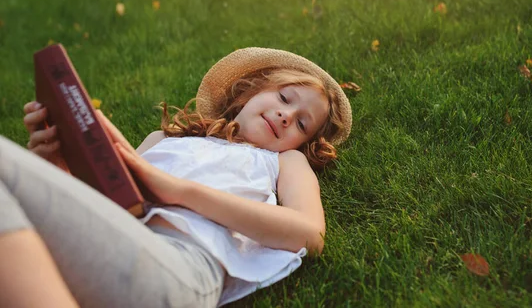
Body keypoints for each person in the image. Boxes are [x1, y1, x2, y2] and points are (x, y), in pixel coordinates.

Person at [0, 47, 352, 308]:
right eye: (285, 97)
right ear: (248, 92)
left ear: (303, 144)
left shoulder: (283, 161)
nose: (287, 115)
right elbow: (112, 205)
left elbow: (310, 234)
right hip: (120, 246)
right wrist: (56, 164)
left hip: (181, 267)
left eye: (302, 123)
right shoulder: (165, 141)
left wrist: (177, 191)